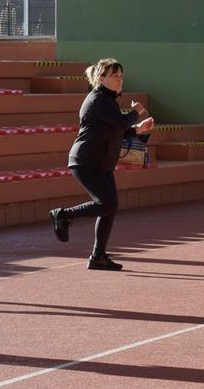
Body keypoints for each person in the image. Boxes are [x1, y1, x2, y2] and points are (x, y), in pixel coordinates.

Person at [48, 58, 154, 271]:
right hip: (85, 161)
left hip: (101, 162)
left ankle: (98, 256)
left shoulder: (108, 101)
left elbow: (118, 130)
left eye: (121, 76)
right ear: (101, 78)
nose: (119, 80)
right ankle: (63, 215)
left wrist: (138, 130)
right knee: (107, 204)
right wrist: (137, 112)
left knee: (109, 207)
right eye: (115, 76)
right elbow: (122, 122)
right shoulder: (97, 99)